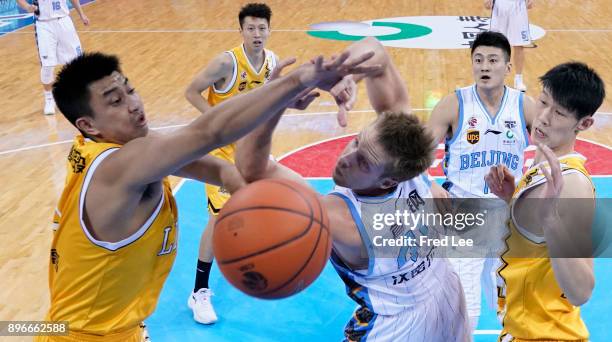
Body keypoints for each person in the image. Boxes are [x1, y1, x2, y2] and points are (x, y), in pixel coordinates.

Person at [35, 50, 373, 341]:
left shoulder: (115, 148)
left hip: (102, 326)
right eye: (115, 101)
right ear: (89, 125)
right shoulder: (119, 167)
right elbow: (209, 132)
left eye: (131, 90)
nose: (134, 104)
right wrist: (297, 81)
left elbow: (221, 170)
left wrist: (261, 213)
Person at [235, 37, 470, 342]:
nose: (346, 158)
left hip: (398, 328)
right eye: (357, 141)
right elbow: (376, 50)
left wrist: (278, 97)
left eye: (363, 162)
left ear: (387, 182)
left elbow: (252, 168)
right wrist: (347, 74)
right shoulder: (407, 159)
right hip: (444, 289)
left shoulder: (342, 218)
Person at [485, 62, 605, 341]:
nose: (544, 118)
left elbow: (581, 291)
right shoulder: (543, 163)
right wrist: (510, 200)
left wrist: (551, 222)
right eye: (543, 102)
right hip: (524, 329)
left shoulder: (572, 185)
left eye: (559, 113)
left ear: (584, 124)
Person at [426, 31, 535, 332]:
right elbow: (415, 157)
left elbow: (553, 152)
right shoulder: (453, 105)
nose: (485, 66)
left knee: (512, 305)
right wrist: (431, 185)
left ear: (508, 67)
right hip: (464, 216)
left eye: (493, 60)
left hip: (507, 218)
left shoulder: (525, 106)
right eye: (478, 60)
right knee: (466, 307)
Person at [183, 3, 278, 324]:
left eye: (261, 28)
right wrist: (217, 123)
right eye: (250, 28)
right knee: (219, 218)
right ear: (241, 31)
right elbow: (191, 91)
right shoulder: (226, 62)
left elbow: (266, 101)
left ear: (269, 29)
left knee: (261, 205)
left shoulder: (272, 62)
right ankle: (198, 292)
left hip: (251, 152)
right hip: (219, 156)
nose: (256, 34)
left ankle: (245, 254)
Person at [16, 0, 90, 115]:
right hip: (44, 24)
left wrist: (81, 14)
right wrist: (26, 6)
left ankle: (77, 95)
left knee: (76, 62)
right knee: (47, 65)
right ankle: (49, 100)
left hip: (64, 20)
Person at [484, 0, 534, 91]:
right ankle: (494, 76)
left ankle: (518, 80)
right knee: (496, 44)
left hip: (518, 5)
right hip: (500, 4)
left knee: (519, 44)